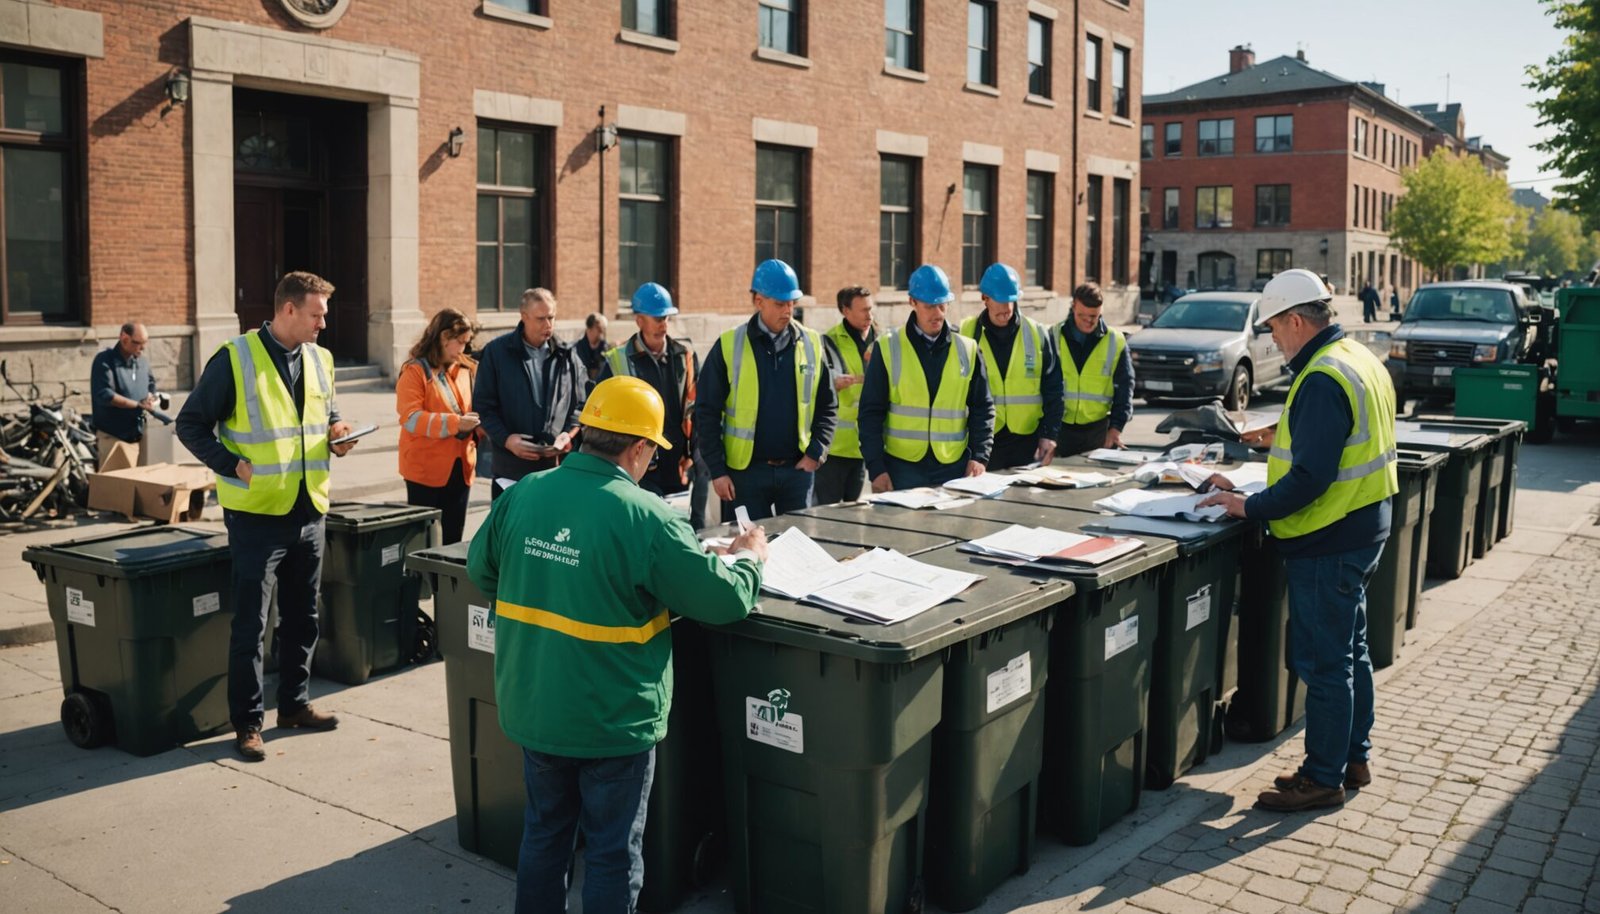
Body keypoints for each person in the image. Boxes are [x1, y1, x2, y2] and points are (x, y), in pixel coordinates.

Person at [467, 375, 768, 914]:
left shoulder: (527, 493)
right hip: (613, 719)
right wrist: (748, 558)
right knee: (611, 854)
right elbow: (723, 603)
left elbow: (483, 570)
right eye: (651, 453)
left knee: (544, 838)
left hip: (535, 704)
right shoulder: (647, 515)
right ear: (638, 447)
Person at [1199, 267, 1397, 813]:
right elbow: (1334, 442)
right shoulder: (1357, 359)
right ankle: (1352, 758)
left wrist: (1250, 505)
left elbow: (1312, 477)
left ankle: (1322, 777)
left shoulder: (1321, 377)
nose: (1273, 340)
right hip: (1362, 527)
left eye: (1274, 328)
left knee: (1324, 664)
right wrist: (1278, 435)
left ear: (1294, 319)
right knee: (1352, 653)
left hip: (1328, 539)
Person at [175, 272, 358, 762]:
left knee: (304, 617)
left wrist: (339, 431)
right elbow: (189, 423)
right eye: (317, 313)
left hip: (310, 507)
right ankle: (248, 724)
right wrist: (228, 463)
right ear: (289, 309)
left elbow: (328, 413)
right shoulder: (235, 358)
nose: (324, 322)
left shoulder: (321, 359)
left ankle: (294, 705)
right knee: (252, 625)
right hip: (256, 514)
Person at [695, 259, 836, 520]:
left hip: (797, 472)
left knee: (797, 552)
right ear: (759, 302)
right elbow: (706, 413)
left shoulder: (813, 343)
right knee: (746, 552)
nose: (788, 311)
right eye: (780, 304)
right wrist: (717, 470)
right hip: (745, 475)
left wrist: (816, 452)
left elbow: (828, 405)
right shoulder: (729, 345)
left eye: (792, 304)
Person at [858, 263, 993, 491]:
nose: (937, 314)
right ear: (912, 302)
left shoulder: (968, 349)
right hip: (901, 467)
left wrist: (979, 456)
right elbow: (870, 413)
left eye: (942, 305)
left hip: (953, 466)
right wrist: (876, 468)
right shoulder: (888, 348)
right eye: (930, 306)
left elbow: (983, 408)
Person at [598, 283, 700, 519]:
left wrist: (697, 458)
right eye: (657, 318)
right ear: (639, 320)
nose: (663, 324)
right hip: (638, 466)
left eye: (665, 317)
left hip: (677, 466)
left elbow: (695, 409)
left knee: (675, 527)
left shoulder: (684, 356)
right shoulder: (617, 359)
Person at [474, 288, 587, 498]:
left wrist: (568, 434)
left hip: (555, 470)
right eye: (541, 318)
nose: (548, 325)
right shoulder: (496, 353)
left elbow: (581, 405)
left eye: (551, 317)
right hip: (510, 470)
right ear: (524, 317)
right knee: (510, 529)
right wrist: (507, 440)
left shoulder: (567, 355)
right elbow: (483, 407)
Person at [960, 263, 1063, 470]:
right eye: (1000, 300)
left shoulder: (1038, 333)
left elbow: (1054, 389)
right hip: (983, 444)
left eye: (1011, 300)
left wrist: (1049, 435)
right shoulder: (966, 334)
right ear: (985, 298)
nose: (1007, 308)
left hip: (1027, 443)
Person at [397, 308, 480, 545]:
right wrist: (457, 423)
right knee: (423, 543)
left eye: (467, 342)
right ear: (444, 338)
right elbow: (410, 418)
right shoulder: (415, 371)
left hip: (461, 468)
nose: (463, 349)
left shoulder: (466, 369)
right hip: (424, 471)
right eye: (460, 342)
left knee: (453, 540)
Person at [813, 285, 877, 504]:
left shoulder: (882, 341)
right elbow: (812, 383)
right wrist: (832, 383)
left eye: (871, 309)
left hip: (865, 445)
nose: (870, 315)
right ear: (845, 311)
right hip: (835, 448)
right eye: (863, 310)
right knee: (827, 513)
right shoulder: (827, 341)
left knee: (855, 512)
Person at [1053, 282, 1133, 456]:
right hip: (1059, 430)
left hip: (1097, 432)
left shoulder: (1115, 341)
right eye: (1082, 316)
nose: (1089, 321)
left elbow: (1125, 387)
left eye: (1094, 316)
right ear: (1073, 306)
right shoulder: (1053, 336)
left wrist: (1116, 428)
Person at [90, 322, 158, 468]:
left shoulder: (142, 362)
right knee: (116, 487)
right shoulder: (104, 360)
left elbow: (151, 383)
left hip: (138, 433)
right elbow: (105, 394)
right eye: (138, 343)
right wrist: (137, 405)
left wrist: (151, 396)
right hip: (114, 436)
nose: (143, 348)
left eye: (145, 343)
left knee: (141, 484)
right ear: (124, 338)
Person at [575, 312, 609, 386]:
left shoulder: (604, 346)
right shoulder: (578, 348)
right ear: (589, 329)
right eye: (599, 329)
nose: (601, 333)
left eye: (603, 330)